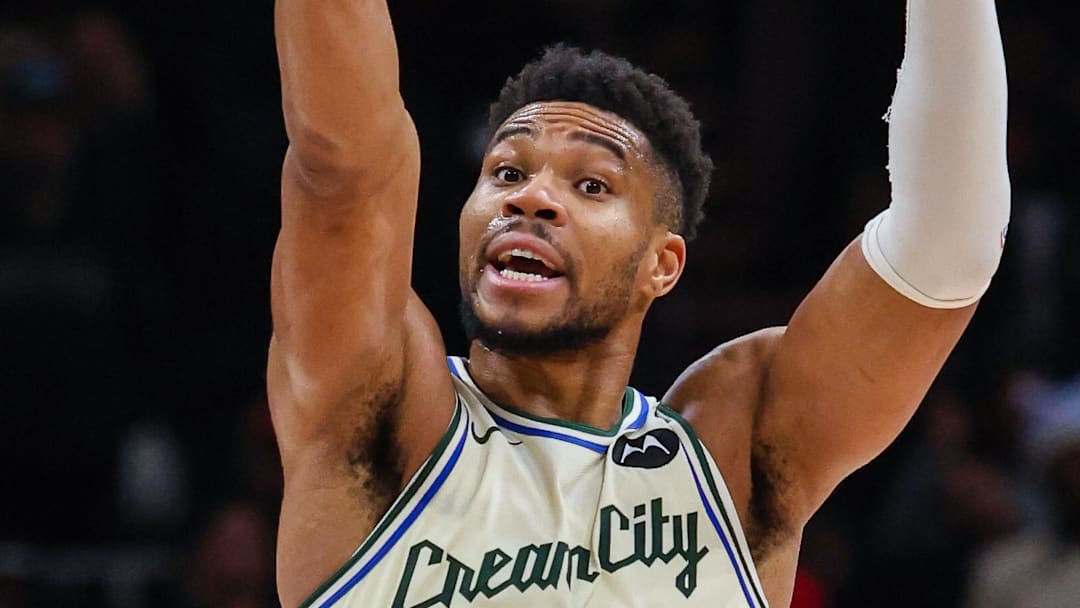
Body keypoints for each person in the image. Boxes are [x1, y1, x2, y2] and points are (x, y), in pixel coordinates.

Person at [268, 0, 1010, 606]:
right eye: (505, 171)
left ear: (663, 264)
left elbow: (946, 247)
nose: (530, 198)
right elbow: (346, 169)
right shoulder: (383, 408)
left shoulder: (730, 451)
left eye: (590, 185)